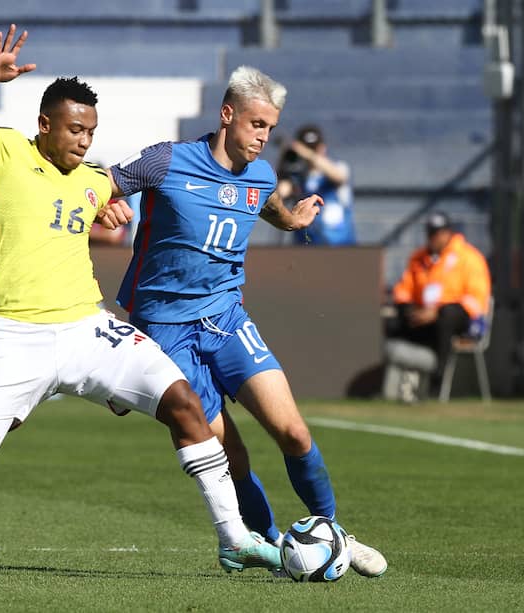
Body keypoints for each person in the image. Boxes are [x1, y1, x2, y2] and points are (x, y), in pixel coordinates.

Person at [0, 25, 280, 575]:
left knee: (185, 404)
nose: (83, 141)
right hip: (17, 337)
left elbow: (102, 194)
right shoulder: (4, 151)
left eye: (91, 132)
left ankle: (233, 538)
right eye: (74, 129)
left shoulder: (92, 179)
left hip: (87, 328)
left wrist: (108, 206)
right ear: (45, 125)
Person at [98, 65, 387, 577]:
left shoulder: (261, 173)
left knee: (294, 434)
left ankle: (332, 534)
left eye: (271, 129)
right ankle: (275, 547)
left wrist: (292, 219)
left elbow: (265, 202)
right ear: (228, 115)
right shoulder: (168, 161)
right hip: (165, 332)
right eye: (257, 125)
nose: (264, 138)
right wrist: (102, 205)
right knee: (230, 455)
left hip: (226, 317)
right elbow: (99, 181)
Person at [388, 211, 492, 379]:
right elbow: (404, 290)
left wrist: (437, 311)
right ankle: (397, 379)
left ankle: (438, 378)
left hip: (461, 320)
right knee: (393, 323)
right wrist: (411, 309)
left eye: (438, 233)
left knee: (447, 317)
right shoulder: (418, 258)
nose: (433, 237)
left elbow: (477, 299)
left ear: (448, 233)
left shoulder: (469, 257)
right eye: (430, 233)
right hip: (424, 315)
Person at [276, 125, 356, 246]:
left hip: (341, 246)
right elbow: (280, 193)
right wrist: (284, 164)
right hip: (306, 247)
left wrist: (307, 154)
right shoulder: (296, 177)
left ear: (322, 148)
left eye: (314, 148)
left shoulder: (337, 167)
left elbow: (339, 177)